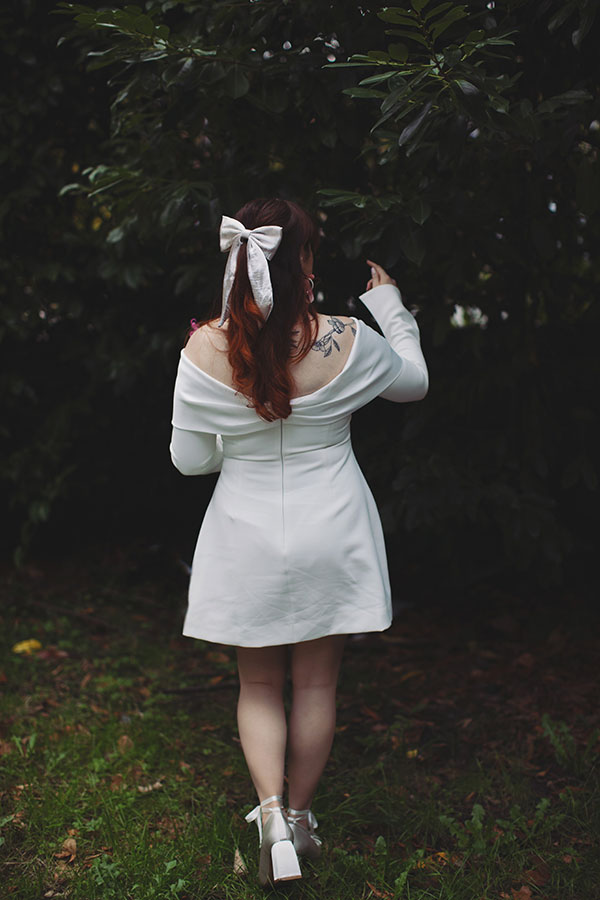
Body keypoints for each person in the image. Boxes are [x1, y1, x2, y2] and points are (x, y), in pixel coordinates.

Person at [169, 198, 428, 887]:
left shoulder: (202, 350)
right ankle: (303, 821)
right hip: (331, 528)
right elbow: (415, 383)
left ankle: (272, 815)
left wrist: (244, 446)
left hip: (246, 533)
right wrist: (392, 307)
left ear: (238, 259)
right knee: (316, 680)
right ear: (304, 264)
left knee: (258, 683)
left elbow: (190, 461)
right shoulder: (346, 340)